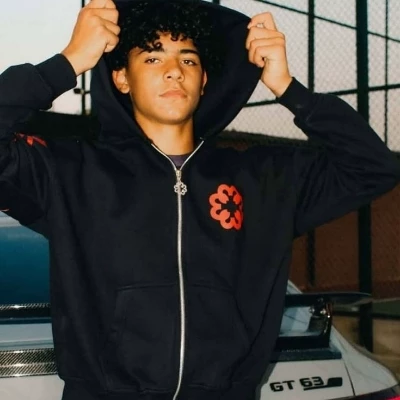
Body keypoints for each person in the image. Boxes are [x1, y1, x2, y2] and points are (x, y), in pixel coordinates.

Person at [1, 0, 399, 399]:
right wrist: (68, 62)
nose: (174, 70)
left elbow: (374, 167)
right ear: (121, 78)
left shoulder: (262, 179)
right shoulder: (71, 172)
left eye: (189, 60)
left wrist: (287, 87)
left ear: (204, 80)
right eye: (153, 57)